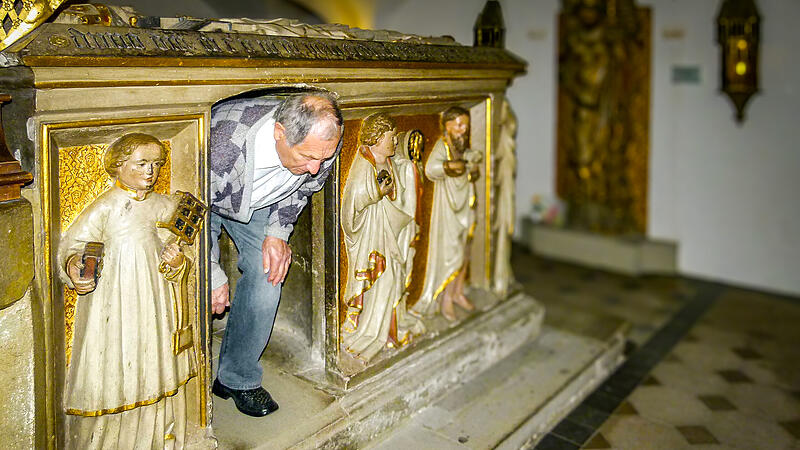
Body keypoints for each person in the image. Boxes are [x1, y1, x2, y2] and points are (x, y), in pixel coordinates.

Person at [208, 92, 343, 417]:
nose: (316, 168)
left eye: (323, 159)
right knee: (198, 288)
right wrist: (211, 271)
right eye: (308, 156)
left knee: (269, 275)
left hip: (259, 204)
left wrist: (277, 232)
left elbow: (304, 188)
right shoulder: (223, 143)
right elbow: (192, 207)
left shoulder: (325, 143)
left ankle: (236, 378)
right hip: (204, 203)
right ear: (279, 133)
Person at [59, 133, 194, 449]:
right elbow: (73, 246)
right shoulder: (105, 207)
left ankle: (160, 436)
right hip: (115, 303)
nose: (151, 172)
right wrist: (74, 266)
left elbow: (179, 249)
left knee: (155, 363)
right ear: (118, 166)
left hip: (154, 299)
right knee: (118, 365)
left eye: (156, 164)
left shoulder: (162, 205)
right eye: (142, 163)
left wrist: (175, 262)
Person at [340, 113, 425, 362]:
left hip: (390, 239)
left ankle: (387, 331)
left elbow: (397, 199)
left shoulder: (389, 163)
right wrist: (377, 192)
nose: (395, 143)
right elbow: (352, 206)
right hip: (371, 242)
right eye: (391, 138)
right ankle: (369, 333)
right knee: (379, 284)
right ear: (376, 138)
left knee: (392, 283)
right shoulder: (364, 164)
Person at [412, 106, 480, 321]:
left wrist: (471, 164)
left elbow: (470, 167)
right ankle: (445, 300)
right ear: (447, 126)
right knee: (452, 254)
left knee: (465, 250)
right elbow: (431, 168)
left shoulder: (461, 146)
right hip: (449, 209)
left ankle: (458, 292)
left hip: (466, 204)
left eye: (466, 125)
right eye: (458, 125)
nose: (463, 130)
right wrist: (452, 165)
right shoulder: (443, 145)